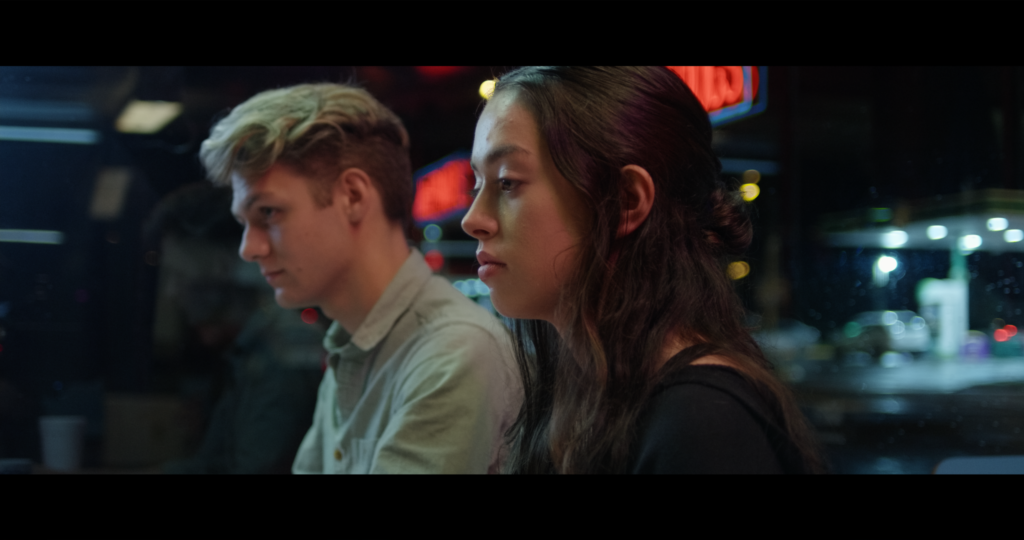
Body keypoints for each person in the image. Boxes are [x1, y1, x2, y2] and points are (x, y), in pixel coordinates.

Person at [461, 66, 825, 474]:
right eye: (478, 185)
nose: (473, 219)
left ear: (626, 201)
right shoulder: (582, 399)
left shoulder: (703, 423)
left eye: (507, 181)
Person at [199, 83, 520, 474]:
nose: (249, 248)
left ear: (352, 196)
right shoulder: (355, 343)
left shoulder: (454, 354)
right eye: (244, 223)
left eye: (268, 213)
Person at [145, 183, 326, 475]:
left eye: (179, 275)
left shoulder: (284, 353)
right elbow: (212, 466)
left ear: (224, 267)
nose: (172, 292)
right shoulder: (249, 350)